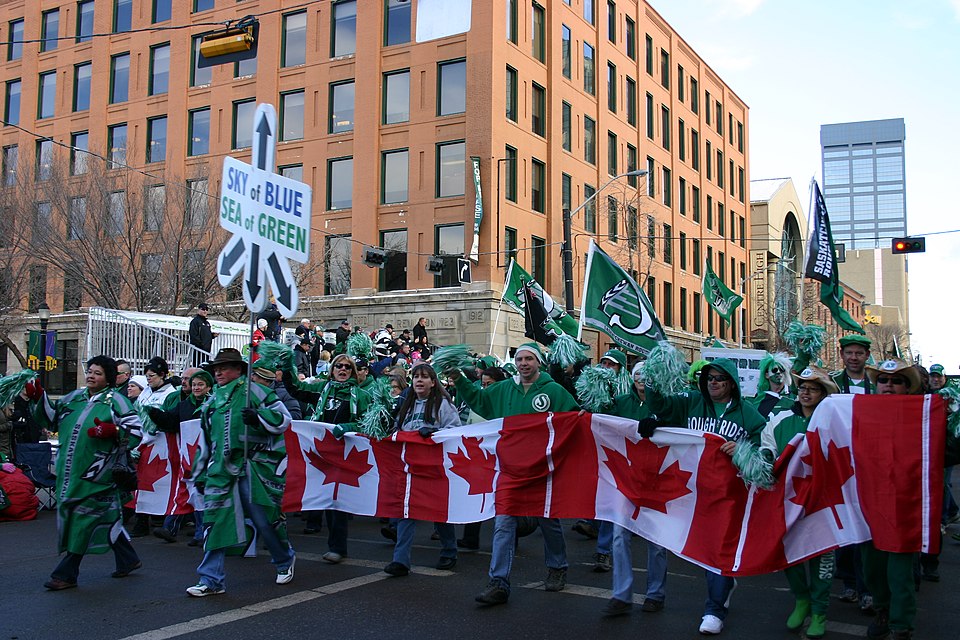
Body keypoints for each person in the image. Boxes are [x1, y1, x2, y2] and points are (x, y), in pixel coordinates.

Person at [450, 342, 579, 605]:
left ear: (539, 362)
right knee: (503, 523)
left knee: (548, 521)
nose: (523, 363)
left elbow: (574, 419)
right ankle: (498, 582)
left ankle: (557, 567)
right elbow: (478, 400)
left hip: (543, 469)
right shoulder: (504, 388)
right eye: (519, 359)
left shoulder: (553, 390)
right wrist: (458, 378)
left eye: (529, 359)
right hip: (509, 468)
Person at [645, 357, 766, 635]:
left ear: (732, 384)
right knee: (687, 544)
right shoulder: (690, 401)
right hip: (690, 490)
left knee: (717, 550)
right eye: (709, 377)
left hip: (728, 494)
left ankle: (714, 609)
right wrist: (652, 377)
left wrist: (744, 450)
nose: (713, 382)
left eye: (720, 378)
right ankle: (723, 582)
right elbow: (660, 406)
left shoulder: (750, 415)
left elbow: (765, 453)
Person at [26, 355, 144, 590]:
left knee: (83, 519)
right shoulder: (73, 398)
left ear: (108, 378)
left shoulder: (117, 402)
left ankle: (66, 573)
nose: (91, 376)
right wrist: (39, 398)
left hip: (98, 474)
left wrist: (113, 430)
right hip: (69, 473)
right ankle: (128, 558)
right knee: (101, 517)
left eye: (98, 373)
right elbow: (51, 420)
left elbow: (136, 432)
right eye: (90, 371)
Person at [186, 348, 295, 596]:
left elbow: (284, 418)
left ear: (238, 369)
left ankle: (284, 559)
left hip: (253, 466)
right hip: (221, 470)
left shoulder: (254, 392)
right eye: (216, 368)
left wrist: (258, 416)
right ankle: (211, 579)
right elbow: (205, 441)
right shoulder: (212, 402)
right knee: (214, 521)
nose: (218, 372)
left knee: (264, 519)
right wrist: (200, 473)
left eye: (224, 367)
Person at [760, 367, 839, 639]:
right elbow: (767, 446)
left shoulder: (833, 422)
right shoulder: (782, 418)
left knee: (822, 557)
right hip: (788, 500)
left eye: (813, 388)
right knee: (788, 553)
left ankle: (819, 611)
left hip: (823, 501)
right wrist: (765, 459)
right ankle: (801, 598)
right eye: (803, 386)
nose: (805, 392)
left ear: (823, 394)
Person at [860, 359, 924, 640]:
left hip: (904, 503)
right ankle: (882, 610)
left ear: (907, 388)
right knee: (873, 568)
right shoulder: (859, 412)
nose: (888, 385)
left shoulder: (923, 415)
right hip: (869, 501)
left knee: (899, 571)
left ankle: (900, 623)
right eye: (883, 380)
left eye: (896, 381)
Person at [284, 353, 370, 555]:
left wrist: (349, 426)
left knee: (336, 501)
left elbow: (370, 425)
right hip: (318, 453)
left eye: (347, 367)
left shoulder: (362, 395)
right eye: (338, 366)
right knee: (311, 490)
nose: (342, 370)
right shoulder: (322, 389)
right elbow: (296, 389)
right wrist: (288, 366)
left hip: (343, 454)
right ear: (331, 370)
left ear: (353, 372)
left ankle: (337, 548)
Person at [602, 362, 670, 617]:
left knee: (657, 541)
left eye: (646, 374)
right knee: (620, 536)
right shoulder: (620, 402)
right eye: (637, 374)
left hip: (658, 479)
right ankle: (621, 594)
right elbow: (599, 420)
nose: (641, 378)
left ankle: (655, 594)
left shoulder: (666, 402)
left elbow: (678, 425)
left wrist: (659, 422)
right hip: (626, 479)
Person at [383, 364, 461, 577]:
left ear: (433, 382)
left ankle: (449, 551)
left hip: (434, 466)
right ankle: (401, 560)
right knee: (405, 511)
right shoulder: (406, 405)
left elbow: (456, 430)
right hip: (410, 466)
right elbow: (397, 430)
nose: (419, 380)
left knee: (438, 510)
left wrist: (435, 432)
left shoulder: (442, 404)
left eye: (424, 377)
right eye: (416, 376)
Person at [830, 334, 874, 611]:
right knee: (842, 524)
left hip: (869, 464)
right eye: (850, 353)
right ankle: (848, 581)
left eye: (859, 353)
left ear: (866, 356)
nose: (854, 357)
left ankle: (867, 586)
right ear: (843, 354)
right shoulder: (832, 383)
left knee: (867, 527)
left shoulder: (878, 383)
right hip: (840, 462)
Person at [147, 370, 214, 546]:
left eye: (200, 384)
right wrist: (155, 414)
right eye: (194, 384)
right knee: (185, 491)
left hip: (207, 456)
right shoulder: (184, 406)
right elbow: (170, 420)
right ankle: (172, 529)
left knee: (199, 494)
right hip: (187, 456)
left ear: (208, 387)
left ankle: (202, 533)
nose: (196, 387)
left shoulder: (214, 405)